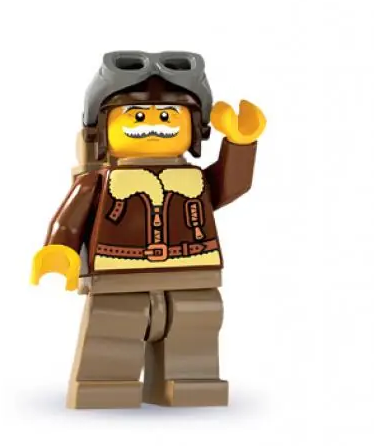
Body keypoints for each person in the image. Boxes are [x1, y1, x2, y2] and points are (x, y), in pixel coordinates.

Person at [31, 51, 266, 408]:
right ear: (102, 128)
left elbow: (232, 185)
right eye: (137, 115)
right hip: (118, 273)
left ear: (194, 128)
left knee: (194, 327)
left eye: (169, 115)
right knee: (113, 327)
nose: (154, 124)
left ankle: (190, 382)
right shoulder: (100, 180)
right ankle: (104, 385)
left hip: (192, 272)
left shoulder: (194, 179)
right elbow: (70, 217)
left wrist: (240, 144)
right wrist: (60, 247)